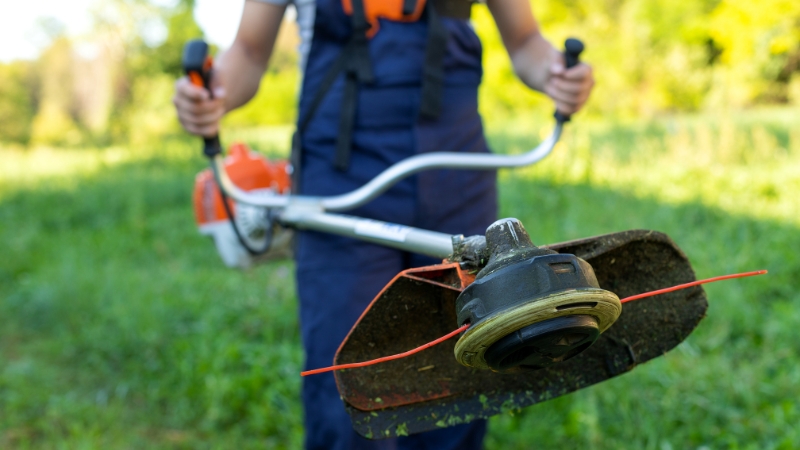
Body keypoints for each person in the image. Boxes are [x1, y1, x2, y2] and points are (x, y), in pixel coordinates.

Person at [173, 0, 594, 448]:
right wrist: (210, 96)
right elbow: (250, 52)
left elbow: (527, 41)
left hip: (456, 170)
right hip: (338, 183)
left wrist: (556, 73)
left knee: (460, 374)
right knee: (348, 381)